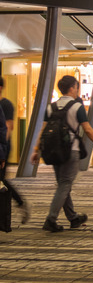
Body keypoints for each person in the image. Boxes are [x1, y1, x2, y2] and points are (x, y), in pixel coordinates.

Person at [32, 75, 93, 232]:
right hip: (71, 150)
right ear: (72, 88)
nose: (77, 90)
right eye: (76, 87)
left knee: (63, 183)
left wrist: (36, 149)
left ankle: (73, 218)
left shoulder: (51, 107)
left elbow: (43, 129)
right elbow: (87, 129)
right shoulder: (77, 107)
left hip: (53, 150)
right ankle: (51, 219)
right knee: (65, 183)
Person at [0, 77, 29, 224]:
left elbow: (8, 127)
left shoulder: (5, 105)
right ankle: (20, 203)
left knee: (2, 181)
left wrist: (2, 149)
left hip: (2, 148)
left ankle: (20, 202)